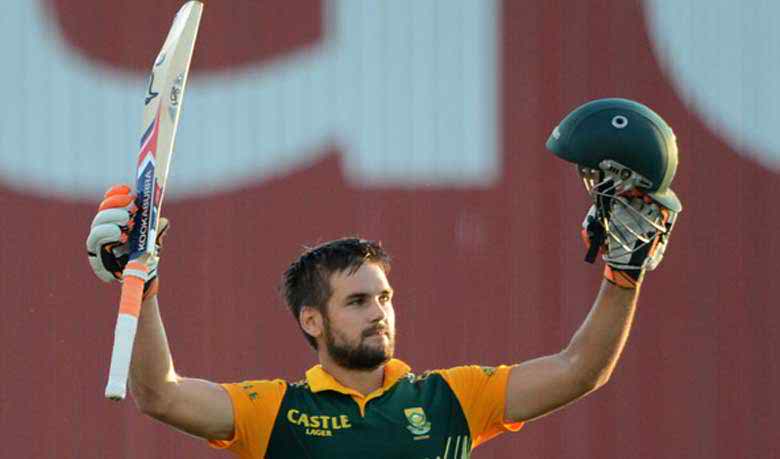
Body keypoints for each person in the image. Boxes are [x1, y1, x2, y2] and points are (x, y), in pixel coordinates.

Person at [86, 97, 681, 458]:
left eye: (385, 297)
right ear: (312, 320)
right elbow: (160, 394)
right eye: (357, 301)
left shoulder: (450, 401)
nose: (379, 312)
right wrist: (143, 285)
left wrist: (622, 277)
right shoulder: (276, 413)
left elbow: (580, 370)